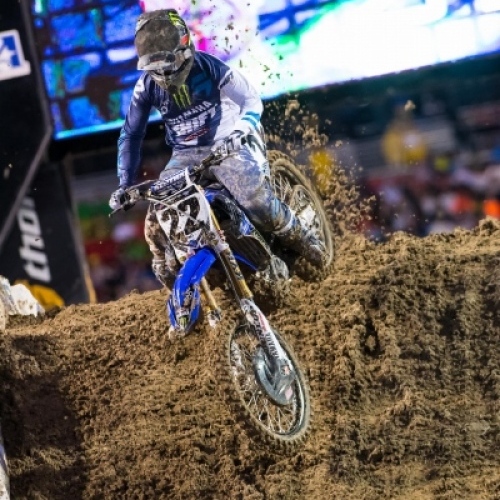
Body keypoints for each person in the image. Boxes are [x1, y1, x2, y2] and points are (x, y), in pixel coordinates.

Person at [109, 9, 324, 289]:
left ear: (184, 49)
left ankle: (304, 237)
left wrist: (239, 131)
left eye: (168, 65)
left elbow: (251, 100)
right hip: (185, 156)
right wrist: (124, 184)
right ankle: (179, 281)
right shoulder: (145, 86)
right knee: (156, 225)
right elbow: (130, 134)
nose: (163, 74)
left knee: (255, 201)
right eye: (154, 68)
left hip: (228, 143)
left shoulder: (208, 66)